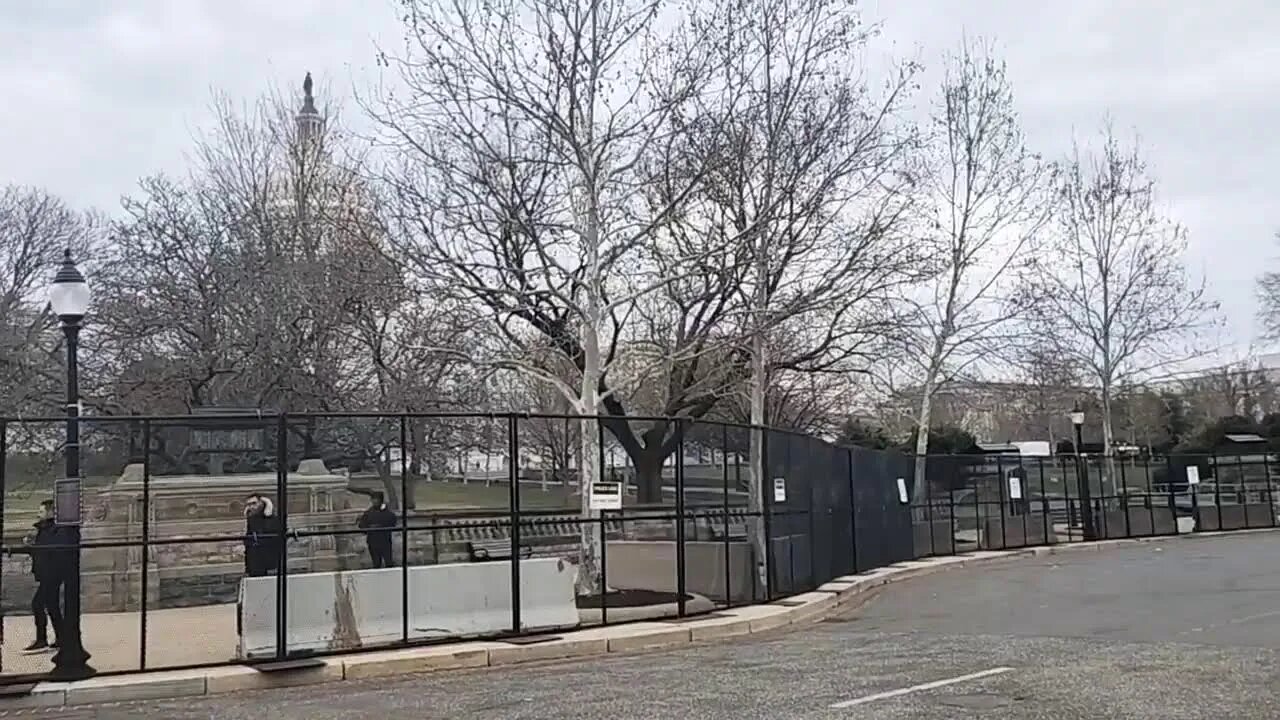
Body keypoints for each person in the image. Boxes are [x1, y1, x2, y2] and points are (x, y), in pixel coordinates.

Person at [18, 501, 64, 653]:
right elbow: (41, 552)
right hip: (48, 574)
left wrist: (32, 547)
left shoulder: (52, 530)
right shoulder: (45, 530)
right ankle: (61, 638)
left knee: (38, 604)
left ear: (50, 512)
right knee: (52, 607)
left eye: (42, 511)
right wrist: (30, 547)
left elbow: (48, 551)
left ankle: (42, 639)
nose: (39, 514)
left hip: (51, 574)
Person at [243, 494, 283, 578]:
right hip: (256, 564)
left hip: (270, 563)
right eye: (249, 505)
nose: (251, 507)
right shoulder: (251, 520)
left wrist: (269, 509)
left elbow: (271, 535)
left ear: (261, 503)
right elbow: (249, 543)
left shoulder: (273, 519)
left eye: (254, 503)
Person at [357, 493, 397, 569]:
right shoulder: (368, 513)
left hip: (385, 541)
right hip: (373, 541)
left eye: (376, 499)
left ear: (381, 500)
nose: (374, 501)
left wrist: (381, 525)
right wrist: (370, 528)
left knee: (389, 562)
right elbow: (362, 526)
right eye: (373, 499)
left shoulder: (387, 513)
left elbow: (393, 522)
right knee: (376, 563)